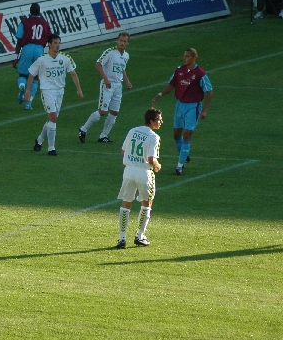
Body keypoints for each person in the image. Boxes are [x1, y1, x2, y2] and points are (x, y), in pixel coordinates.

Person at [151, 48, 213, 176]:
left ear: (193, 58)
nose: (184, 58)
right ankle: (184, 155)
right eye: (184, 56)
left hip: (193, 106)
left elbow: (209, 91)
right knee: (176, 134)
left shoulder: (200, 74)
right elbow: (171, 85)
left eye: (187, 56)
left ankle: (179, 166)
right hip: (180, 105)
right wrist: (159, 95)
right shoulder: (179, 70)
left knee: (187, 134)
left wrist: (205, 110)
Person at [26, 33, 83, 156]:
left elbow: (73, 73)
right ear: (49, 45)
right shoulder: (42, 59)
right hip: (47, 91)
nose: (58, 45)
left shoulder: (66, 58)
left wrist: (78, 89)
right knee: (53, 117)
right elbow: (31, 74)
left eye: (59, 43)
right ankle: (51, 148)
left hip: (59, 91)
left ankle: (40, 139)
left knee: (51, 119)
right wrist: (28, 91)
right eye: (55, 43)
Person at [115, 108, 163, 249]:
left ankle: (122, 238)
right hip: (144, 172)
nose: (161, 122)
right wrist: (157, 165)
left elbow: (123, 151)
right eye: (159, 119)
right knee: (146, 203)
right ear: (151, 121)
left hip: (128, 171)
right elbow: (150, 159)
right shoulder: (154, 137)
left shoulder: (133, 131)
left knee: (126, 203)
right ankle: (140, 236)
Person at [79, 32, 132, 144]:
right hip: (108, 85)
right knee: (103, 111)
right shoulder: (110, 52)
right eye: (120, 40)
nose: (122, 43)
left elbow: (122, 69)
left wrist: (127, 81)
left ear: (128, 43)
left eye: (124, 41)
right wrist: (106, 79)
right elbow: (98, 64)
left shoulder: (126, 56)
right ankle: (83, 129)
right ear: (117, 41)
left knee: (114, 112)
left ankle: (104, 135)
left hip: (118, 86)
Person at [13, 3, 51, 110]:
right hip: (39, 49)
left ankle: (22, 86)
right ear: (39, 11)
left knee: (23, 74)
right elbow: (50, 39)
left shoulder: (24, 23)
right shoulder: (45, 23)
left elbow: (19, 41)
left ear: (30, 11)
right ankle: (28, 103)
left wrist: (17, 57)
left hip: (27, 48)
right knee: (35, 77)